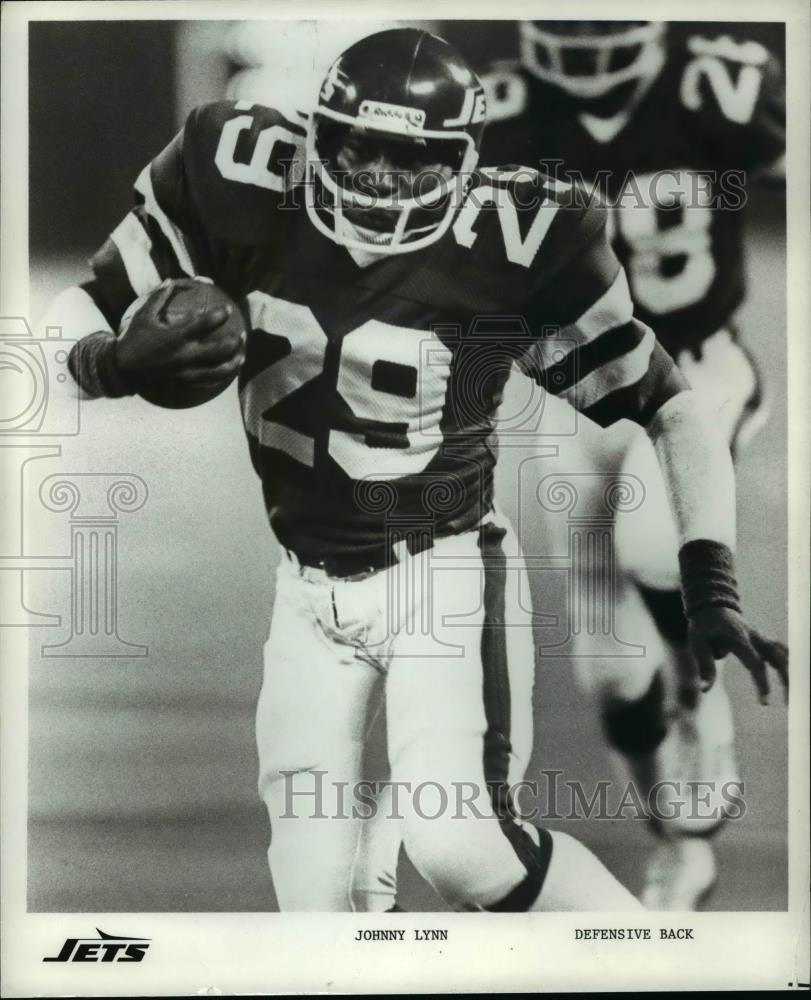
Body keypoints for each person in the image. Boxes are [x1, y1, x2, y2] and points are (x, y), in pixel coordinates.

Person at [51, 27, 785, 912]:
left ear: (467, 163)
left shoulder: (521, 238)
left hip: (442, 576)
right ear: (316, 131)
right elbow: (71, 319)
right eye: (359, 148)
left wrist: (709, 577)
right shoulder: (232, 169)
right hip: (304, 591)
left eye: (412, 160)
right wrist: (107, 364)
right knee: (312, 903)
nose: (378, 181)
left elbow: (670, 405)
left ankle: (660, 965)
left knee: (468, 852)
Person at [430, 19, 784, 909]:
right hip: (577, 387)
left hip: (696, 364)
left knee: (652, 545)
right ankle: (678, 840)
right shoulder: (502, 107)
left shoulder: (714, 88)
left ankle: (704, 715)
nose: (587, 44)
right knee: (607, 669)